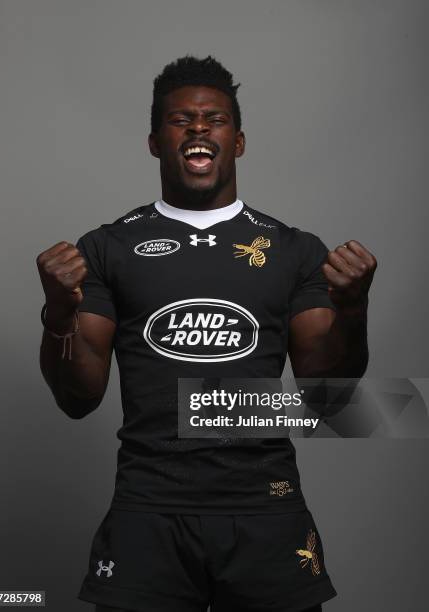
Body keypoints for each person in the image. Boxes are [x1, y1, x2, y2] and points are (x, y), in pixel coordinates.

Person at [37, 55, 377, 612]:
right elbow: (79, 399)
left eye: (214, 119)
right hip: (148, 509)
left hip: (267, 509)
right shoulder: (107, 248)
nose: (198, 128)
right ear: (154, 142)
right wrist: (57, 314)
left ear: (238, 141)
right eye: (181, 120)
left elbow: (327, 399)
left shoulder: (294, 250)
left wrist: (354, 308)